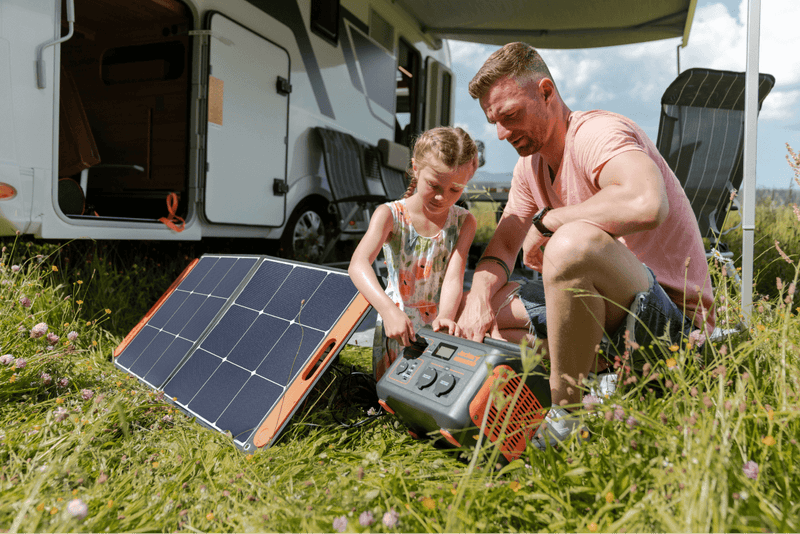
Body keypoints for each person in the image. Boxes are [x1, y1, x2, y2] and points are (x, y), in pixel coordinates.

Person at [456, 42, 715, 444]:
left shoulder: (597, 133)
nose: (502, 133)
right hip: (609, 317)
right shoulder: (530, 165)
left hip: (672, 326)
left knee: (571, 244)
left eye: (510, 115)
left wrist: (549, 222)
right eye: (494, 122)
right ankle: (605, 380)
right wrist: (476, 300)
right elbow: (504, 247)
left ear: (546, 92)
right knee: (480, 309)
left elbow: (647, 203)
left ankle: (566, 419)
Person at [349, 127, 478, 380]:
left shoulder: (464, 222)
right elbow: (358, 264)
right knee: (393, 391)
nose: (442, 197)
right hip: (397, 326)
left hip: (438, 328)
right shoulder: (390, 215)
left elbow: (454, 277)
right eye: (433, 185)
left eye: (455, 189)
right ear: (415, 168)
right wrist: (388, 311)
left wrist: (446, 317)